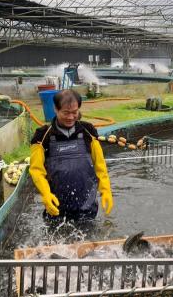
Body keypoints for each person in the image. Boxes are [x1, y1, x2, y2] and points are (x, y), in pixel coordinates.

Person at [29, 89, 113, 225]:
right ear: (55, 109)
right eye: (66, 113)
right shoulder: (42, 136)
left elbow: (100, 165)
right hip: (55, 205)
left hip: (86, 205)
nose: (70, 117)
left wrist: (105, 189)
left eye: (74, 112)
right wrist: (45, 194)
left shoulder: (88, 131)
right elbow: (36, 170)